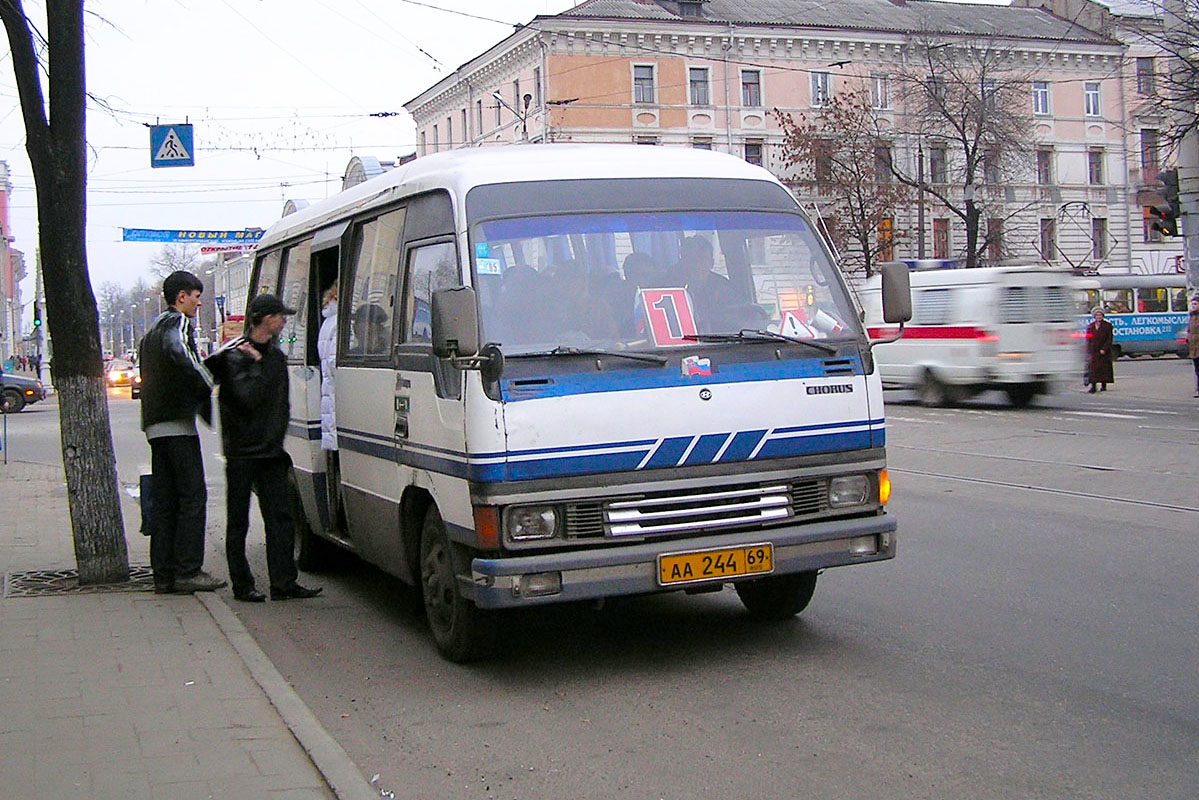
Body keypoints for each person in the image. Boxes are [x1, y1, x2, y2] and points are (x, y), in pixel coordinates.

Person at [205, 294, 321, 602]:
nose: (284, 321)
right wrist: (256, 366)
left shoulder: (274, 355)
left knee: (281, 519)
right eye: (279, 316)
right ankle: (243, 585)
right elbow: (248, 399)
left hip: (270, 452)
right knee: (239, 521)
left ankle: (284, 582)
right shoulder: (236, 356)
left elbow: (278, 402)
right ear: (264, 319)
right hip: (243, 452)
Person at [139, 270, 224, 594]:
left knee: (165, 501)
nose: (199, 302)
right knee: (192, 497)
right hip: (177, 425)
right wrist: (208, 381)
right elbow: (183, 356)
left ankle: (164, 574)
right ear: (181, 298)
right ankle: (189, 569)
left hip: (156, 425)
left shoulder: (152, 329)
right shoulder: (177, 324)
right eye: (195, 295)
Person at [316, 282, 342, 526]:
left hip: (331, 401)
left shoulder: (329, 323)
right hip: (336, 404)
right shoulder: (338, 326)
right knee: (340, 464)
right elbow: (337, 367)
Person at [1085, 306, 1114, 393]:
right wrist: (1088, 349)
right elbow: (1088, 338)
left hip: (1104, 351)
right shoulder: (1091, 326)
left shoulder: (1108, 326)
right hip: (1094, 351)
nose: (1099, 317)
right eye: (1097, 315)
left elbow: (1109, 339)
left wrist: (1104, 349)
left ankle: (1103, 385)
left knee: (1104, 369)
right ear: (1094, 316)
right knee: (1093, 369)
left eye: (1100, 315)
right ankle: (1093, 386)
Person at [1187, 296, 1199, 399]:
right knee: (1197, 370)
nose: (1193, 306)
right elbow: (1189, 330)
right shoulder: (1191, 316)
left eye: (1195, 304)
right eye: (1192, 304)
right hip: (1194, 348)